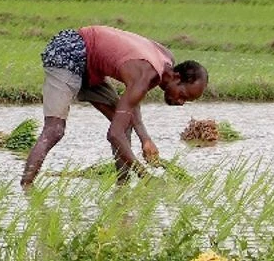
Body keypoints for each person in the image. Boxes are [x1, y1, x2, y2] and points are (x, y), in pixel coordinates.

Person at [21, 25, 208, 189]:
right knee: (55, 130)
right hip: (69, 50)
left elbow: (132, 101)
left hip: (91, 65)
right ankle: (26, 187)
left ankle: (122, 187)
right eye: (183, 95)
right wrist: (145, 175)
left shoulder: (164, 59)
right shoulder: (145, 75)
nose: (181, 102)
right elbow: (113, 134)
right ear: (176, 77)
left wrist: (145, 139)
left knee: (125, 124)